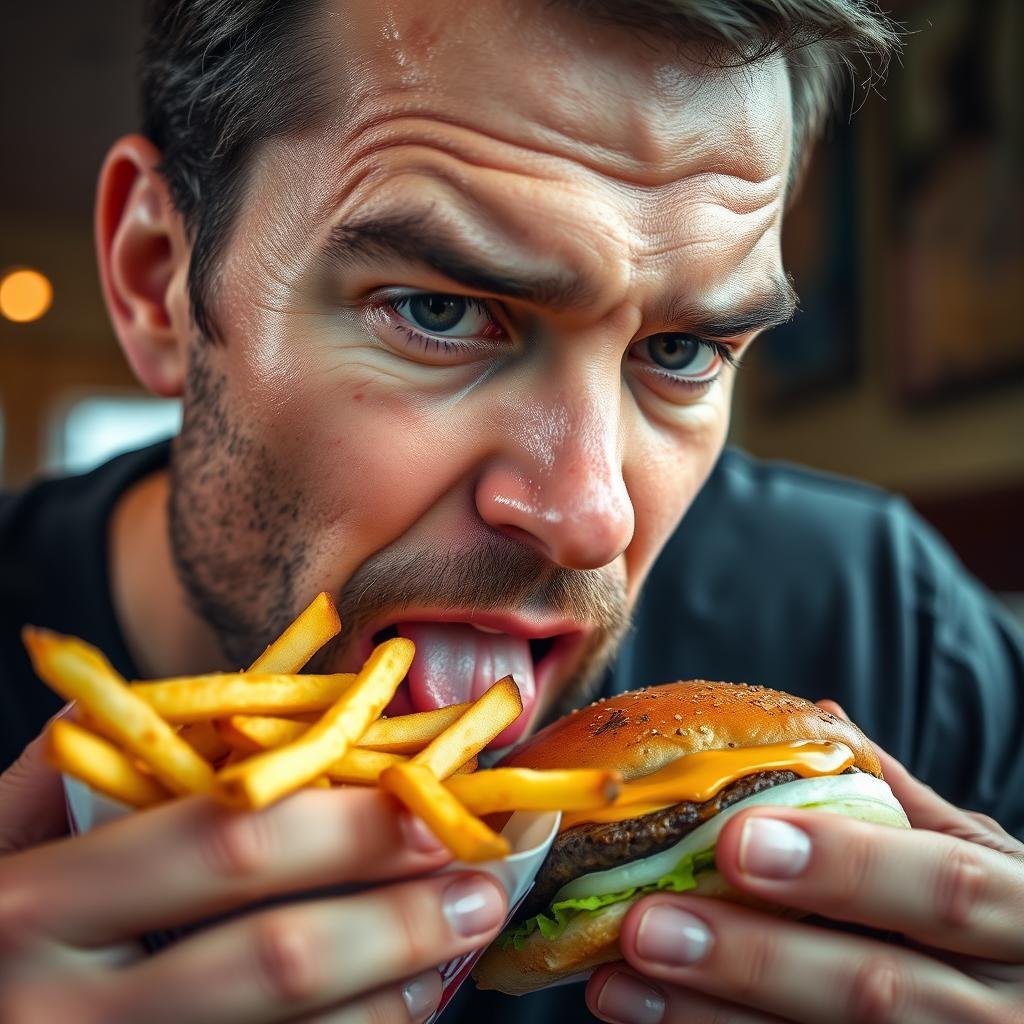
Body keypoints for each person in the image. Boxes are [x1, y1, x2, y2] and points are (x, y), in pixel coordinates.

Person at [1, 1, 1022, 1021]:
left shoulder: (886, 626)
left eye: (681, 351)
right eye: (438, 311)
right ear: (158, 277)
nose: (591, 518)